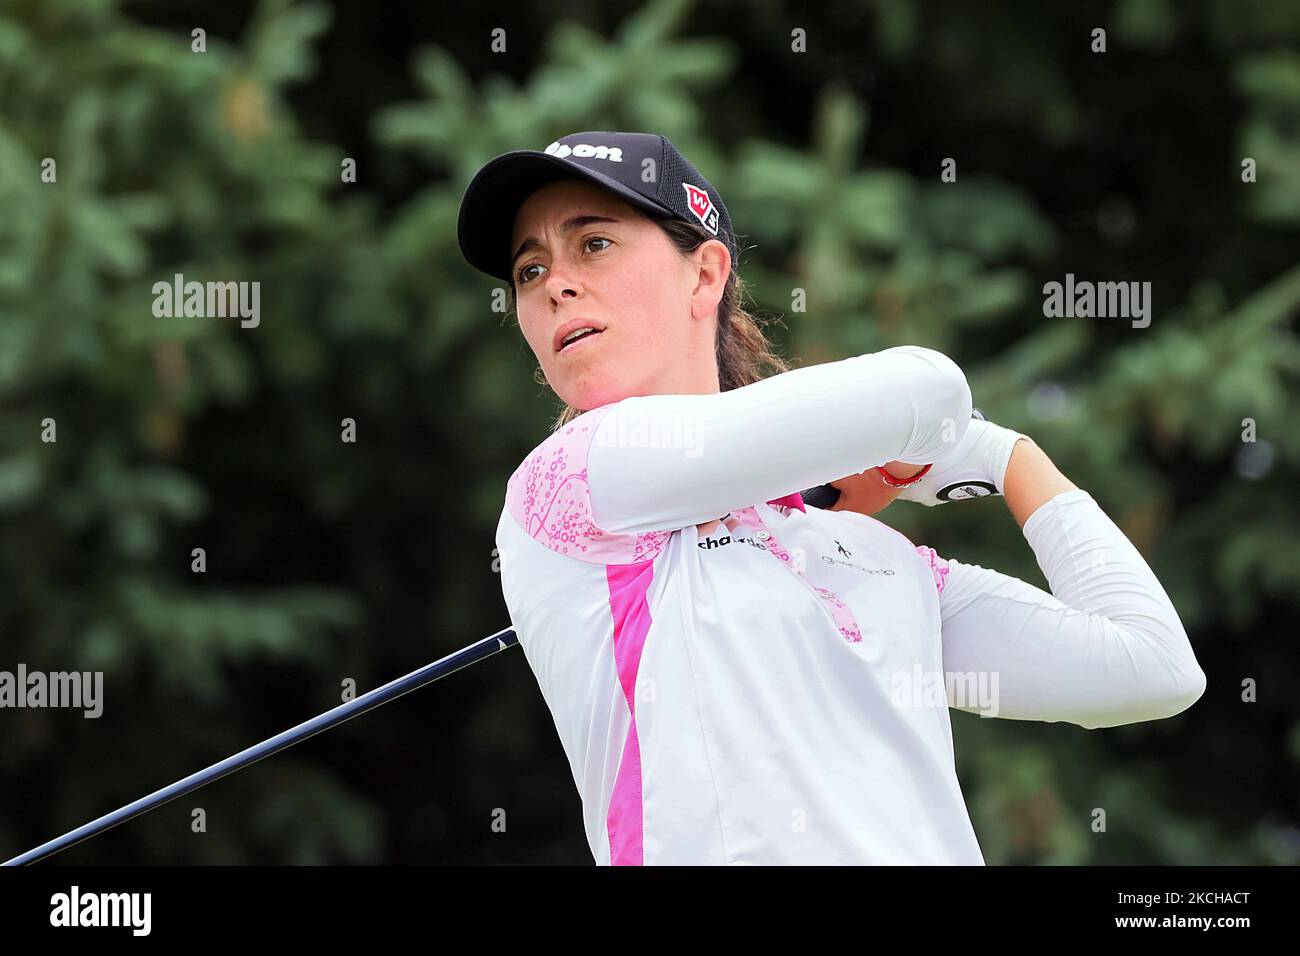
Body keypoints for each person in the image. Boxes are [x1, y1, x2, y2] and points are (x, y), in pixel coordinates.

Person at [456, 131, 1207, 865]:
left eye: (593, 243)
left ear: (705, 274)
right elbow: (930, 389)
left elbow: (1152, 667)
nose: (555, 284)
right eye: (529, 270)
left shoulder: (870, 556)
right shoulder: (566, 484)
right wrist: (921, 453)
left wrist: (1007, 456)